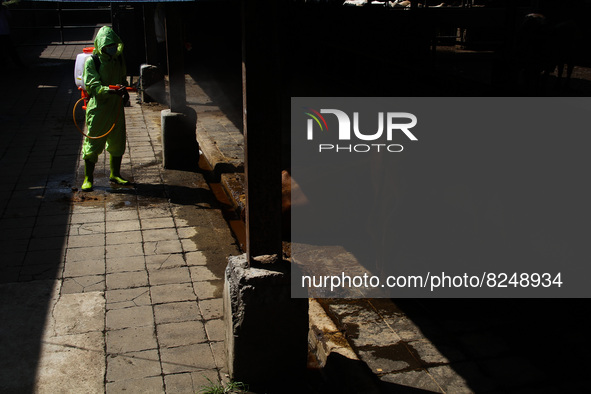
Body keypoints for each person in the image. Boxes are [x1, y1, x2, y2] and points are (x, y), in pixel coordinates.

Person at [81, 25, 130, 191]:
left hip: (116, 108)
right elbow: (93, 86)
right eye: (108, 46)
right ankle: (88, 178)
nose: (112, 49)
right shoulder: (92, 62)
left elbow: (122, 78)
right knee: (93, 142)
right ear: (101, 46)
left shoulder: (118, 59)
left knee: (118, 142)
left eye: (114, 45)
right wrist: (110, 90)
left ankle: (115, 174)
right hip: (99, 110)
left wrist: (124, 90)